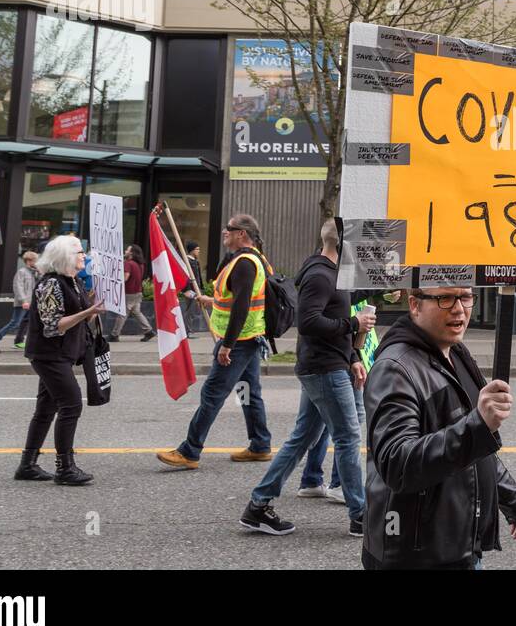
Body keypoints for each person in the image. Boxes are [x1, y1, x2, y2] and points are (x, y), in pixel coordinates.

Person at [362, 286, 516, 569]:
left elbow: (472, 444)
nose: (459, 308)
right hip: (417, 554)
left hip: (459, 544)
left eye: (465, 297)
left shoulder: (456, 356)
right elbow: (398, 464)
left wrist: (511, 497)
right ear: (415, 304)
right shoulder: (396, 368)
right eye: (445, 298)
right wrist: (479, 425)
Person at [240, 220, 371, 537]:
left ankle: (258, 507)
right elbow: (309, 322)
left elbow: (331, 318)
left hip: (330, 364)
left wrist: (353, 357)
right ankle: (361, 517)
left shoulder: (332, 272)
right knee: (348, 438)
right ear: (341, 245)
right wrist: (354, 323)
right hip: (324, 369)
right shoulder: (320, 275)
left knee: (302, 440)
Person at [157, 214, 274, 469]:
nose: (224, 232)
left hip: (239, 342)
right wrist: (214, 302)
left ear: (241, 233)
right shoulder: (255, 259)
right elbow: (239, 298)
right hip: (251, 338)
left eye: (229, 229)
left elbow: (242, 306)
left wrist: (227, 345)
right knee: (248, 393)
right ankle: (260, 444)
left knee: (212, 393)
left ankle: (190, 451)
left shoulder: (244, 263)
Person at [16, 235, 105, 486]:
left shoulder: (73, 281)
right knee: (71, 404)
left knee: (46, 408)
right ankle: (65, 468)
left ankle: (27, 464)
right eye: (79, 252)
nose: (84, 256)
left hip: (61, 354)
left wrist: (93, 308)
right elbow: (53, 326)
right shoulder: (50, 284)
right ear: (65, 256)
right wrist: (88, 311)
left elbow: (80, 319)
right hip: (48, 354)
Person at [299, 289, 400, 502]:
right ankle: (339, 486)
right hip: (336, 354)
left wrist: (380, 293)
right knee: (347, 427)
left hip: (337, 353)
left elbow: (350, 297)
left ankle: (311, 479)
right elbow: (320, 315)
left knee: (316, 426)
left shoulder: (332, 270)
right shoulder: (331, 271)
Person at [0, 251, 38, 353]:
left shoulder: (34, 273)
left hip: (31, 303)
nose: (37, 263)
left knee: (27, 322)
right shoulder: (22, 272)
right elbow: (18, 287)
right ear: (29, 261)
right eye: (35, 261)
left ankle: (19, 341)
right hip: (23, 304)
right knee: (14, 323)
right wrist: (23, 301)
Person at [109, 245, 156, 343]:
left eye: (127, 250)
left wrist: (114, 280)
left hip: (128, 293)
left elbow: (125, 277)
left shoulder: (128, 264)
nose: (125, 250)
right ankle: (148, 331)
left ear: (132, 253)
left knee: (122, 314)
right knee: (136, 312)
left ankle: (114, 334)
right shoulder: (140, 264)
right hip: (137, 292)